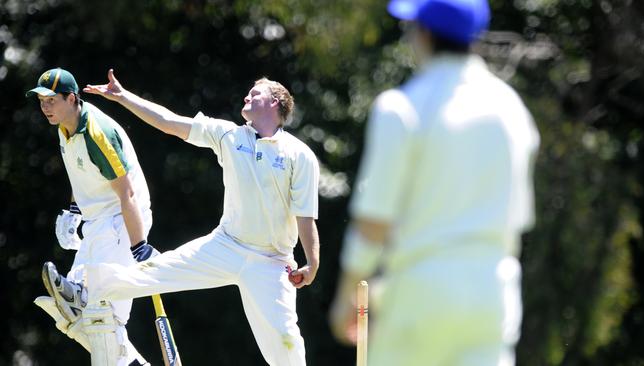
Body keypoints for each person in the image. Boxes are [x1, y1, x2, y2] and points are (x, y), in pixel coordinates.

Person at [44, 69, 321, 365]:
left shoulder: (299, 155)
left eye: (256, 93)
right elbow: (168, 123)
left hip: (272, 261)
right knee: (151, 272)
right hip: (226, 245)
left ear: (276, 103)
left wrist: (312, 262)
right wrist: (123, 97)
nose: (247, 96)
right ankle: (85, 291)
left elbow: (305, 216)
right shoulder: (229, 134)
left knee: (286, 342)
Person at [329, 0, 540, 365]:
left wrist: (348, 295)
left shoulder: (401, 107)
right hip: (491, 295)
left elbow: (373, 223)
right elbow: (515, 220)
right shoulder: (511, 109)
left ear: (422, 33)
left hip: (419, 295)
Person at [26, 67, 156, 366]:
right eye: (41, 101)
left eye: (51, 100)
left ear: (71, 98)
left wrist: (140, 247)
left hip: (122, 221)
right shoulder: (64, 127)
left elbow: (127, 194)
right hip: (98, 221)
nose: (45, 107)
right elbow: (80, 173)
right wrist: (73, 212)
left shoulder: (97, 133)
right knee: (72, 313)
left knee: (102, 318)